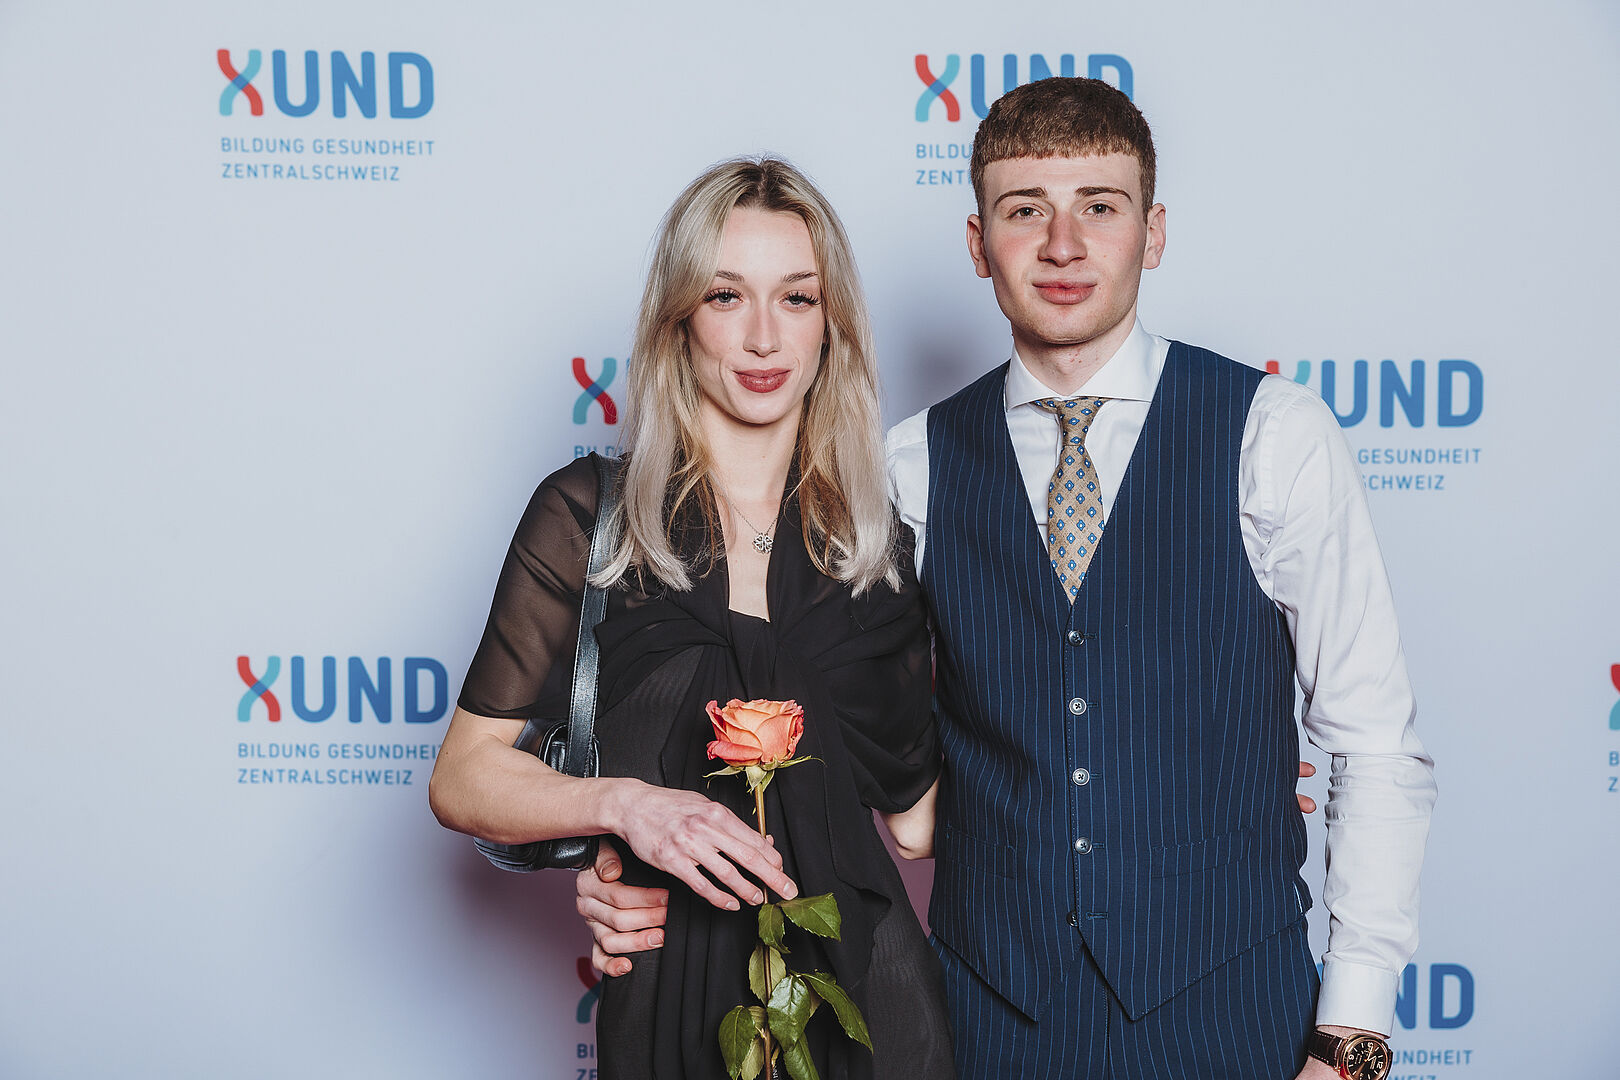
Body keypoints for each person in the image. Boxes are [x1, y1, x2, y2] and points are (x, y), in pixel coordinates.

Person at [581, 79, 1436, 1080]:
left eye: (1099, 207)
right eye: (1026, 210)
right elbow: (789, 714)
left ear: (1154, 232)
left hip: (1237, 1018)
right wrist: (622, 858)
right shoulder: (905, 470)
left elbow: (1373, 744)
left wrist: (1350, 1034)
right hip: (986, 1026)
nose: (1063, 245)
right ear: (979, 244)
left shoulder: (1274, 437)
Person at [429, 157, 955, 1080]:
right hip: (668, 1007)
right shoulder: (591, 519)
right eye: (726, 295)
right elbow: (463, 777)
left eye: (797, 298)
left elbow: (915, 824)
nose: (764, 336)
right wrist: (622, 809)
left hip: (874, 1018)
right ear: (680, 320)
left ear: (831, 326)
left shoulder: (873, 547)